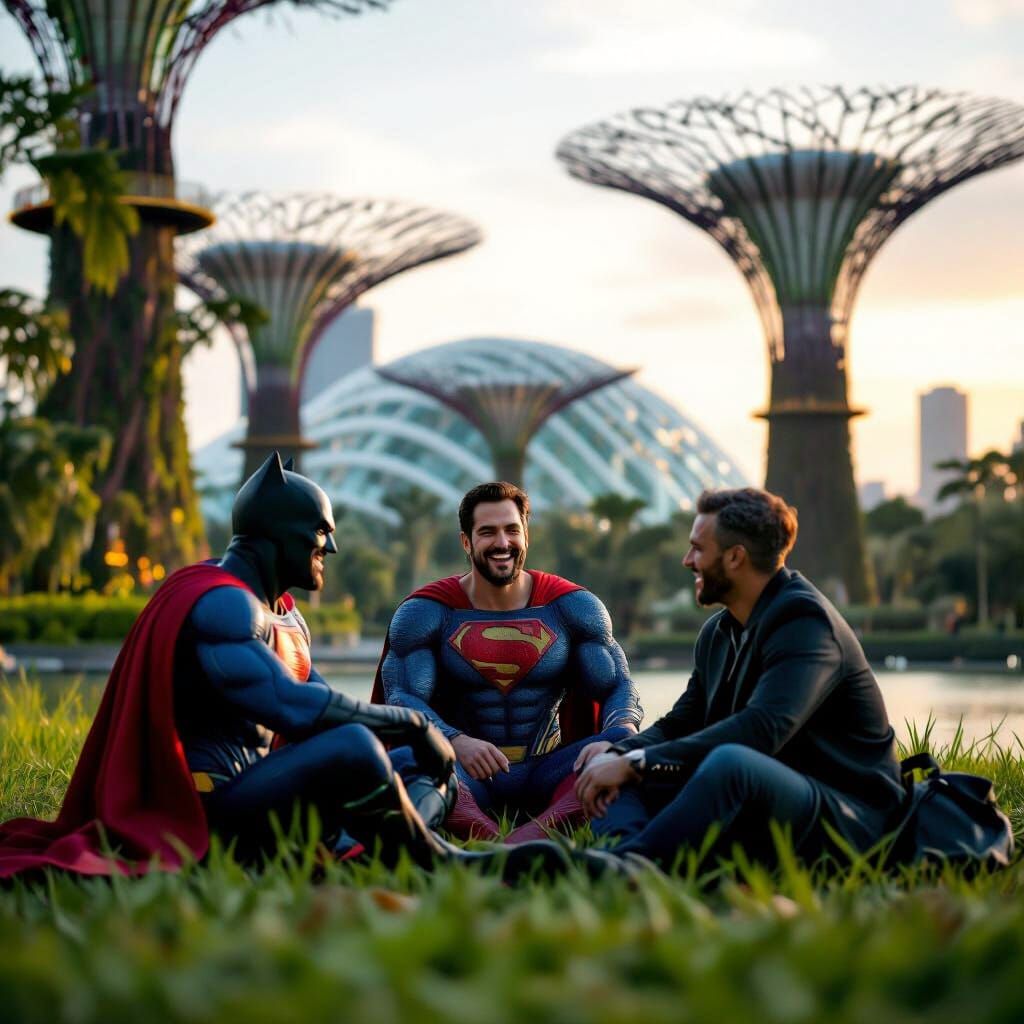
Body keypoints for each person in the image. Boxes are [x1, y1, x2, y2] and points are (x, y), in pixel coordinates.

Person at [0, 454, 587, 880]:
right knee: (363, 748)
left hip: (261, 796)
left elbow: (323, 700)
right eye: (318, 535)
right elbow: (291, 706)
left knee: (412, 762)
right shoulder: (221, 603)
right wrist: (415, 725)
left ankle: (389, 845)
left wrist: (425, 743)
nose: (327, 550)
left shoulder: (283, 615)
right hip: (209, 812)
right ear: (280, 537)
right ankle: (437, 861)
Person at [574, 487, 905, 869]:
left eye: (698, 549)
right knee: (612, 762)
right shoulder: (719, 633)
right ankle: (632, 859)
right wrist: (621, 755)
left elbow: (763, 729)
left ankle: (626, 862)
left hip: (852, 820)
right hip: (769, 803)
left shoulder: (805, 622)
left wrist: (640, 761)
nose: (687, 560)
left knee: (731, 763)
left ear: (735, 557)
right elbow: (680, 724)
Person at [375, 481, 643, 842]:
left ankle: (528, 838)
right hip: (464, 770)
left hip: (549, 767)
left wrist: (618, 736)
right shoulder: (426, 613)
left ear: (526, 535)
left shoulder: (572, 608)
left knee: (635, 755)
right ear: (466, 542)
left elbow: (618, 687)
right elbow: (403, 699)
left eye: (511, 530)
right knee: (413, 762)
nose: (502, 543)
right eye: (488, 532)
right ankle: (487, 839)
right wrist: (455, 740)